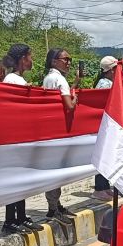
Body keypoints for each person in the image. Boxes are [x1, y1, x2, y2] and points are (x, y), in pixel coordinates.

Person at [0, 44, 42, 233]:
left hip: (21, 137)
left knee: (21, 179)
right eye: (30, 56)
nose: (31, 60)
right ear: (23, 58)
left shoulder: (17, 79)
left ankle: (21, 216)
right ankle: (10, 220)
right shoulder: (12, 79)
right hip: (14, 137)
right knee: (15, 179)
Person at [43, 48, 79, 222]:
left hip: (50, 130)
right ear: (54, 61)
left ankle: (54, 205)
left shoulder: (48, 78)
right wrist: (75, 97)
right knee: (57, 171)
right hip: (59, 131)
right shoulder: (60, 79)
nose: (69, 62)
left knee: (52, 170)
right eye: (65, 59)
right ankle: (53, 208)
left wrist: (73, 86)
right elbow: (69, 106)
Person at [91, 55, 119, 200]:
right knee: (103, 156)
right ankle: (99, 188)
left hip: (109, 125)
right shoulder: (104, 84)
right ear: (111, 70)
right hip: (104, 125)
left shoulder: (108, 83)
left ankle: (105, 186)